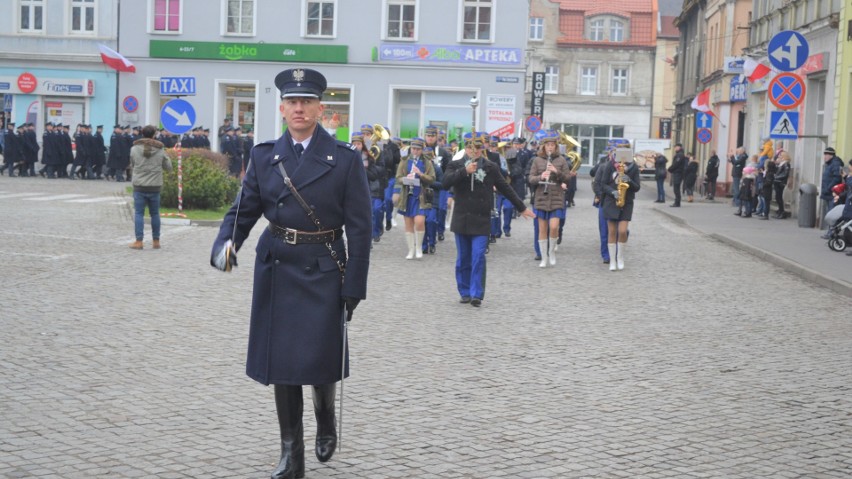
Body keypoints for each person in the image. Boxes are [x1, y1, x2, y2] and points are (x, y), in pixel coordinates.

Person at [210, 68, 371, 479]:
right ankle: (290, 453)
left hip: (322, 266)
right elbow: (244, 209)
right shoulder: (265, 156)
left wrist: (354, 283)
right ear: (282, 108)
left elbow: (360, 227)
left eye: (307, 102)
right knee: (283, 363)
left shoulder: (345, 160)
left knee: (318, 357)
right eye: (292, 102)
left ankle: (326, 416)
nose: (299, 108)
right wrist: (226, 243)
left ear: (321, 108)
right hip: (278, 266)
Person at [443, 132, 534, 306]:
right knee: (463, 258)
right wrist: (464, 171)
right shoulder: (455, 165)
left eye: (477, 147)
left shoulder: (490, 167)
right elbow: (445, 182)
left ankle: (476, 293)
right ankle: (465, 291)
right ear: (466, 148)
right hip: (462, 218)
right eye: (470, 147)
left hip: (481, 219)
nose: (474, 151)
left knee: (478, 256)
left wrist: (521, 207)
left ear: (482, 148)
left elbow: (505, 188)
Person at [528, 130, 571, 268]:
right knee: (542, 229)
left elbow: (568, 178)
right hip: (541, 197)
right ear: (544, 146)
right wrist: (541, 176)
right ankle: (544, 258)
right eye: (548, 145)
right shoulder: (537, 160)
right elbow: (530, 178)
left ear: (556, 146)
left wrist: (556, 172)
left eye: (553, 145)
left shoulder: (561, 160)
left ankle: (551, 252)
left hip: (556, 197)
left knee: (554, 228)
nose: (550, 147)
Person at [128, 125, 172, 250]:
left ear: (142, 134)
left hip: (139, 186)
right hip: (155, 186)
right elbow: (168, 167)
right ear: (154, 135)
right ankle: (156, 241)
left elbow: (132, 163)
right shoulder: (160, 149)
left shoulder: (134, 148)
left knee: (139, 213)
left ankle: (139, 241)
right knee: (155, 214)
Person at [595, 152, 641, 271]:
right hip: (611, 202)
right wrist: (612, 192)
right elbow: (603, 184)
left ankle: (620, 257)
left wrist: (629, 180)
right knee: (612, 231)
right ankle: (612, 261)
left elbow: (637, 187)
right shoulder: (609, 166)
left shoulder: (634, 167)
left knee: (622, 231)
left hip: (627, 202)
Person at [392, 137, 434, 259]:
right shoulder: (405, 161)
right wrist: (406, 179)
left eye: (418, 149)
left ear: (421, 150)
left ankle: (419, 247)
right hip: (407, 196)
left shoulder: (427, 162)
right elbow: (398, 177)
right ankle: (411, 250)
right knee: (408, 223)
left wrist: (421, 175)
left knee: (420, 221)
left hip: (420, 196)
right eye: (413, 149)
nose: (415, 151)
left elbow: (432, 178)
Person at [820, 147, 845, 238]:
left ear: (831, 155)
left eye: (826, 155)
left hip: (832, 193)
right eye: (825, 155)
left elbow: (836, 178)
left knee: (832, 213)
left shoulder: (835, 164)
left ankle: (832, 232)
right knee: (829, 212)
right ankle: (830, 232)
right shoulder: (830, 164)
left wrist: (829, 188)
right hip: (828, 193)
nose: (825, 157)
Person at [773, 151, 791, 218]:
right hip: (777, 181)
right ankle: (780, 211)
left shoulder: (786, 164)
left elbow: (785, 174)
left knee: (779, 197)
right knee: (777, 197)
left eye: (780, 155)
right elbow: (777, 171)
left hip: (781, 182)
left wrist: (776, 177)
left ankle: (782, 211)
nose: (779, 157)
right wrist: (776, 164)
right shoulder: (781, 164)